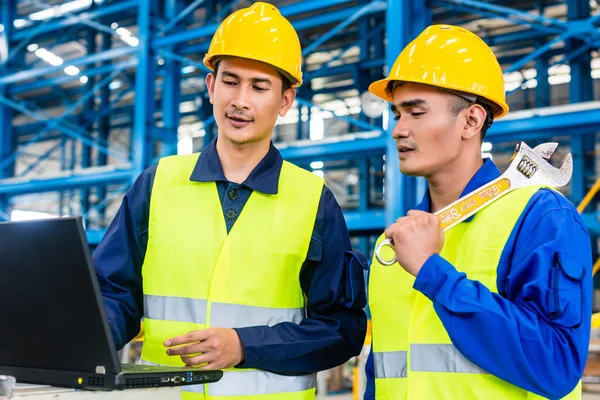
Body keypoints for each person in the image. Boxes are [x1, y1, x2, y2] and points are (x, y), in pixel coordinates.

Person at [92, 3, 368, 399]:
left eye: (259, 87)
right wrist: (90, 336)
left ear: (285, 102)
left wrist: (244, 345)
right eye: (230, 82)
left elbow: (341, 329)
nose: (241, 100)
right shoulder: (157, 184)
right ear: (210, 87)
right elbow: (114, 292)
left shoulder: (314, 203)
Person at [364, 24, 592, 400]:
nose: (399, 130)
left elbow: (557, 365)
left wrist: (434, 275)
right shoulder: (391, 246)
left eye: (415, 113)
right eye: (396, 114)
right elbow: (383, 375)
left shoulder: (541, 219)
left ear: (471, 120)